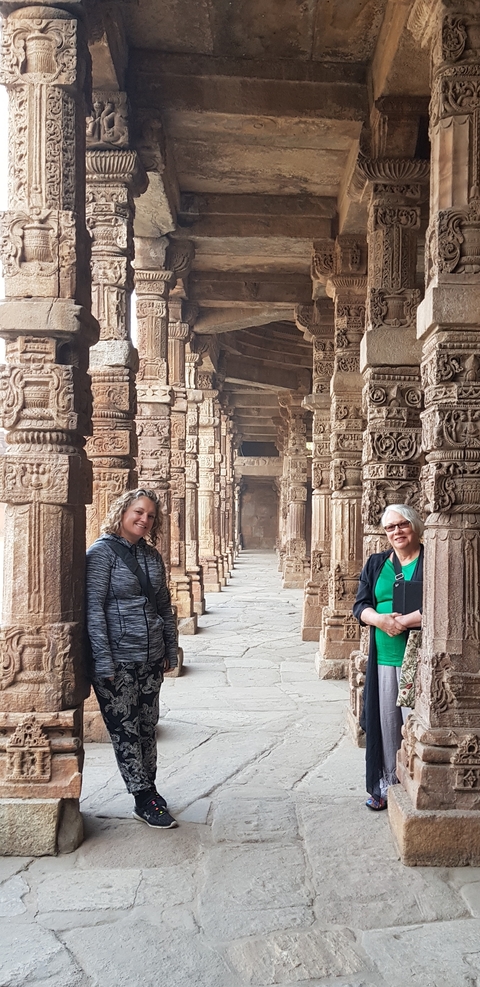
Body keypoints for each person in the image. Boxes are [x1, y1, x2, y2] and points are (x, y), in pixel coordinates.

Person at [86, 488, 178, 829]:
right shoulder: (102, 554)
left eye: (151, 515)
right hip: (118, 659)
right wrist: (103, 661)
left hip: (151, 655)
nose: (144, 519)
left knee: (146, 725)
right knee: (125, 730)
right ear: (122, 512)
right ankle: (143, 796)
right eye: (139, 512)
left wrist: (170, 648)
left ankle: (149, 787)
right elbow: (94, 609)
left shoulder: (152, 557)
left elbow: (164, 606)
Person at [353, 504, 423, 811]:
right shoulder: (377, 563)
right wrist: (380, 620)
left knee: (414, 722)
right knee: (386, 723)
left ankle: (417, 783)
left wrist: (403, 622)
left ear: (415, 526)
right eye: (390, 527)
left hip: (417, 658)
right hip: (384, 656)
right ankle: (387, 785)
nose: (397, 531)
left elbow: (443, 601)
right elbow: (361, 605)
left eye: (402, 524)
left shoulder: (431, 560)